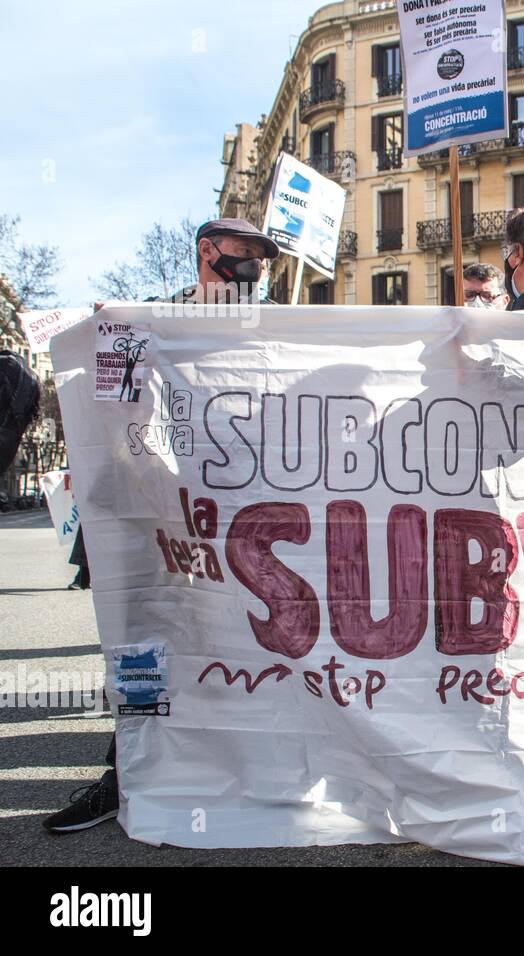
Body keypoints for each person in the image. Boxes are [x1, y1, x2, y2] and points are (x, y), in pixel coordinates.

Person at [43, 218, 280, 835]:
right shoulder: (148, 324)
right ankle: (127, 773)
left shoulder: (275, 326)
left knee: (239, 648)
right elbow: (112, 418)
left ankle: (240, 769)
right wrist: (111, 336)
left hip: (237, 525)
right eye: (246, 254)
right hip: (157, 522)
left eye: (262, 257)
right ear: (209, 253)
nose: (256, 267)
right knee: (145, 641)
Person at [165, 218, 279, 304]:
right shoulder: (155, 319)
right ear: (206, 250)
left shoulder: (273, 322)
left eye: (260, 261)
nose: (255, 268)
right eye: (246, 251)